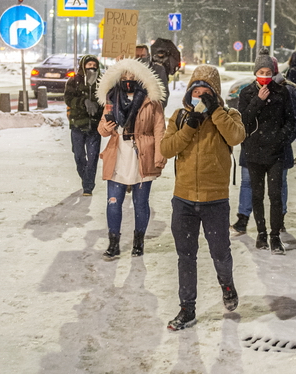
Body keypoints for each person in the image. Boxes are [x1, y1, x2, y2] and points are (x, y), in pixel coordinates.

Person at [161, 65, 246, 330]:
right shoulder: (180, 116)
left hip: (215, 200)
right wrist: (190, 127)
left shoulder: (230, 115)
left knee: (220, 253)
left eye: (205, 92)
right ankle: (187, 309)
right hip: (184, 199)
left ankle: (227, 285)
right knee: (186, 256)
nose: (199, 96)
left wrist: (216, 111)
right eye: (195, 91)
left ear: (214, 94)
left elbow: (236, 136)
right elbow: (166, 149)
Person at [96, 58, 166, 259]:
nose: (128, 79)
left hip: (142, 156)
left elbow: (159, 129)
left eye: (132, 76)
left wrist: (159, 155)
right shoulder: (111, 99)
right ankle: (113, 243)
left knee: (141, 203)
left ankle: (138, 242)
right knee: (113, 202)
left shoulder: (151, 100)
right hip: (117, 155)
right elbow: (102, 127)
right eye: (124, 76)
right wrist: (105, 129)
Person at [236, 49, 296, 254]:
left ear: (273, 73)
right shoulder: (246, 93)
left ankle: (274, 235)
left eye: (268, 71)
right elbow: (243, 120)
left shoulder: (282, 92)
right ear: (255, 72)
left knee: (275, 195)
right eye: (261, 71)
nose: (264, 75)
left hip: (275, 153)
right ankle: (261, 233)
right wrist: (258, 101)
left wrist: (281, 138)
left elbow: (292, 120)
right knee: (257, 194)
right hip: (254, 152)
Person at [63, 54, 103, 195]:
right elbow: (68, 98)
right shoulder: (74, 80)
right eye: (89, 65)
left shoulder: (102, 81)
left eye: (94, 65)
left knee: (92, 157)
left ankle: (88, 186)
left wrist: (98, 106)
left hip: (94, 125)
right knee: (79, 155)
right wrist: (83, 102)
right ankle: (85, 177)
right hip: (77, 125)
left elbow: (107, 99)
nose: (91, 67)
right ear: (83, 66)